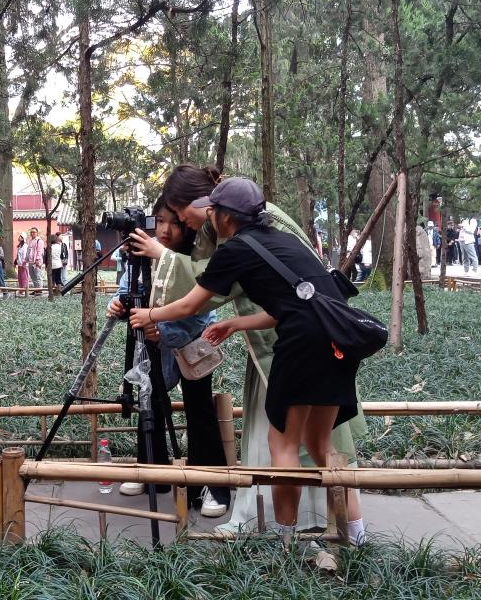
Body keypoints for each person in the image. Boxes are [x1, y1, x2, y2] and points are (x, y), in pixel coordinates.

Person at [131, 164, 366, 543]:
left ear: (220, 215)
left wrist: (150, 314)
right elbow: (295, 303)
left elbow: (192, 302)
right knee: (322, 446)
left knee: (282, 445)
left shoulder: (236, 248)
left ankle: (285, 539)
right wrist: (238, 323)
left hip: (296, 348)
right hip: (336, 340)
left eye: (193, 214)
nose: (191, 223)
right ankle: (356, 535)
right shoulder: (277, 236)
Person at [107, 198, 227, 517]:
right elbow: (126, 289)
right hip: (153, 345)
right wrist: (117, 305)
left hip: (192, 345)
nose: (164, 229)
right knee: (151, 404)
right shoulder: (143, 253)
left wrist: (162, 331)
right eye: (159, 221)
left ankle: (212, 486)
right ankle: (151, 473)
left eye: (174, 223)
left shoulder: (195, 257)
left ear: (187, 226)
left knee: (199, 412)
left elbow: (200, 313)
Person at [27, 227, 46, 293]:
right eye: (31, 232)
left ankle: (40, 290)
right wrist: (26, 259)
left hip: (36, 261)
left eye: (34, 232)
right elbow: (28, 251)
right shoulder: (30, 241)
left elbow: (39, 251)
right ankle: (36, 289)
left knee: (38, 276)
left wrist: (37, 259)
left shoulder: (39, 241)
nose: (32, 233)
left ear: (37, 233)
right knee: (33, 276)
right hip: (30, 261)